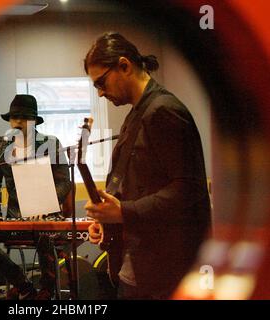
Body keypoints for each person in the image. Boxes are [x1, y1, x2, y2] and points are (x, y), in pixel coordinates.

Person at [83, 32, 211, 299]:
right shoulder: (137, 113)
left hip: (163, 269)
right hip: (141, 263)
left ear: (124, 65)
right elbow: (135, 187)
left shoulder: (163, 111)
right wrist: (109, 221)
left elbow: (190, 189)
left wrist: (123, 213)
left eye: (101, 82)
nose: (101, 92)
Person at [0, 94, 72, 300]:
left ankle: (47, 289)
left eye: (23, 117)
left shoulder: (51, 143)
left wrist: (45, 205)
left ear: (34, 120)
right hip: (14, 217)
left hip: (46, 216)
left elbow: (64, 182)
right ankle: (23, 284)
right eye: (14, 117)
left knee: (46, 236)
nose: (17, 122)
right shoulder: (1, 145)